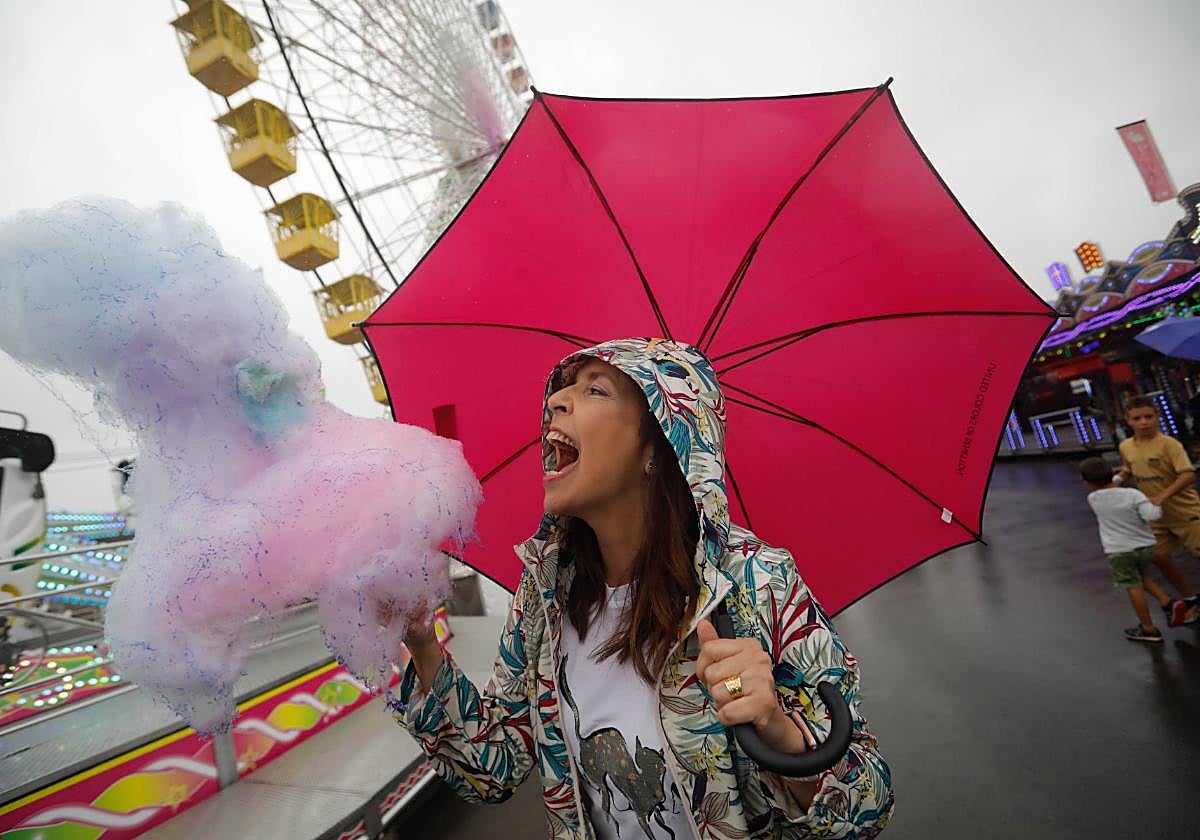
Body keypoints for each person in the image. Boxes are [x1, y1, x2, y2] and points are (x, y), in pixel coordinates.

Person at [387, 339, 893, 839]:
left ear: (658, 445)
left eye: (596, 391)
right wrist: (422, 643)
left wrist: (777, 730)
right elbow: (492, 770)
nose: (557, 401)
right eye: (564, 389)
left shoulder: (755, 579)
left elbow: (865, 812)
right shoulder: (545, 594)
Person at [1080, 457, 1199, 641]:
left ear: (1086, 482)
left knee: (1132, 585)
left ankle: (1148, 628)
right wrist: (1156, 504)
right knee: (1139, 575)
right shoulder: (1133, 495)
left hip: (1119, 550)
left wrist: (1116, 479)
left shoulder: (1093, 498)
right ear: (1112, 472)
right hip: (1146, 546)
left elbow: (1107, 487)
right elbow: (1151, 515)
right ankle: (1167, 601)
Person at [1116, 396, 1200, 610]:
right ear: (1128, 421)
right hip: (1155, 516)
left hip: (1185, 512)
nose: (1144, 422)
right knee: (1158, 557)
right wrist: (1115, 481)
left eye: (1148, 417)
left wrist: (1163, 496)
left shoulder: (1169, 444)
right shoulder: (1126, 446)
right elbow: (1128, 470)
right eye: (1137, 418)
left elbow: (1189, 474)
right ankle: (1190, 598)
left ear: (1157, 417)